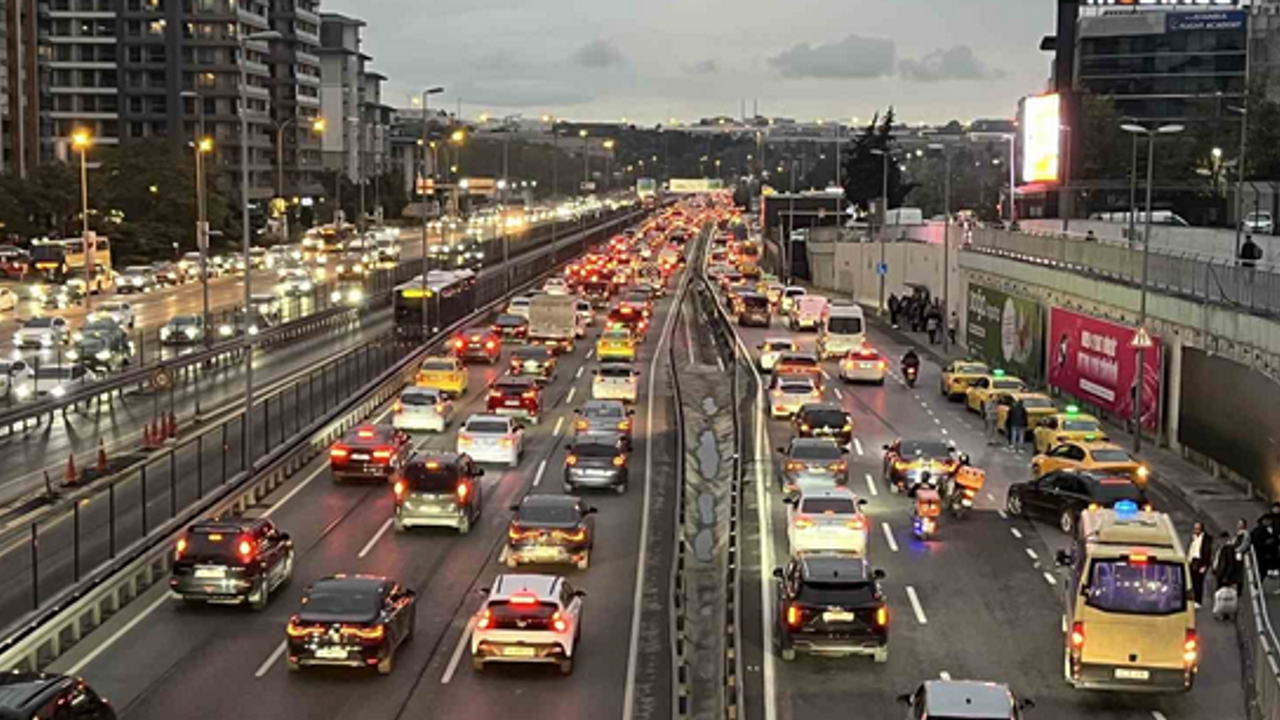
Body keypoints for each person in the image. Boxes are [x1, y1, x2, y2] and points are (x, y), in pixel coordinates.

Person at [1188, 522, 1213, 608]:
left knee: (1199, 582)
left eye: (1197, 528)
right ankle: (1193, 599)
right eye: (1195, 528)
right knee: (1193, 581)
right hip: (1193, 561)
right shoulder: (1193, 537)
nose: (1196, 530)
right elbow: (1191, 549)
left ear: (1201, 529)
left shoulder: (1206, 539)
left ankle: (1198, 601)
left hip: (1200, 562)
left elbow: (1208, 553)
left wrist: (1205, 565)